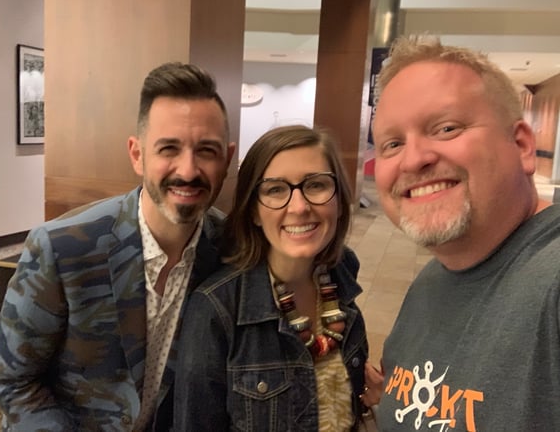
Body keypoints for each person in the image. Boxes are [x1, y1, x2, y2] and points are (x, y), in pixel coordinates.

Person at [0, 62, 235, 431]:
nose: (187, 170)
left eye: (207, 151)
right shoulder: (62, 248)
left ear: (227, 159)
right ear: (137, 155)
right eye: (168, 148)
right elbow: (11, 379)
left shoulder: (232, 251)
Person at [371, 35, 560, 431]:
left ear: (522, 146)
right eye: (392, 143)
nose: (414, 159)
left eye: (446, 128)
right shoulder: (432, 280)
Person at [173, 125, 378, 431]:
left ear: (338, 199)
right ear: (254, 211)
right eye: (275, 189)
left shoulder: (342, 274)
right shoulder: (216, 309)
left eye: (316, 185)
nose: (300, 207)